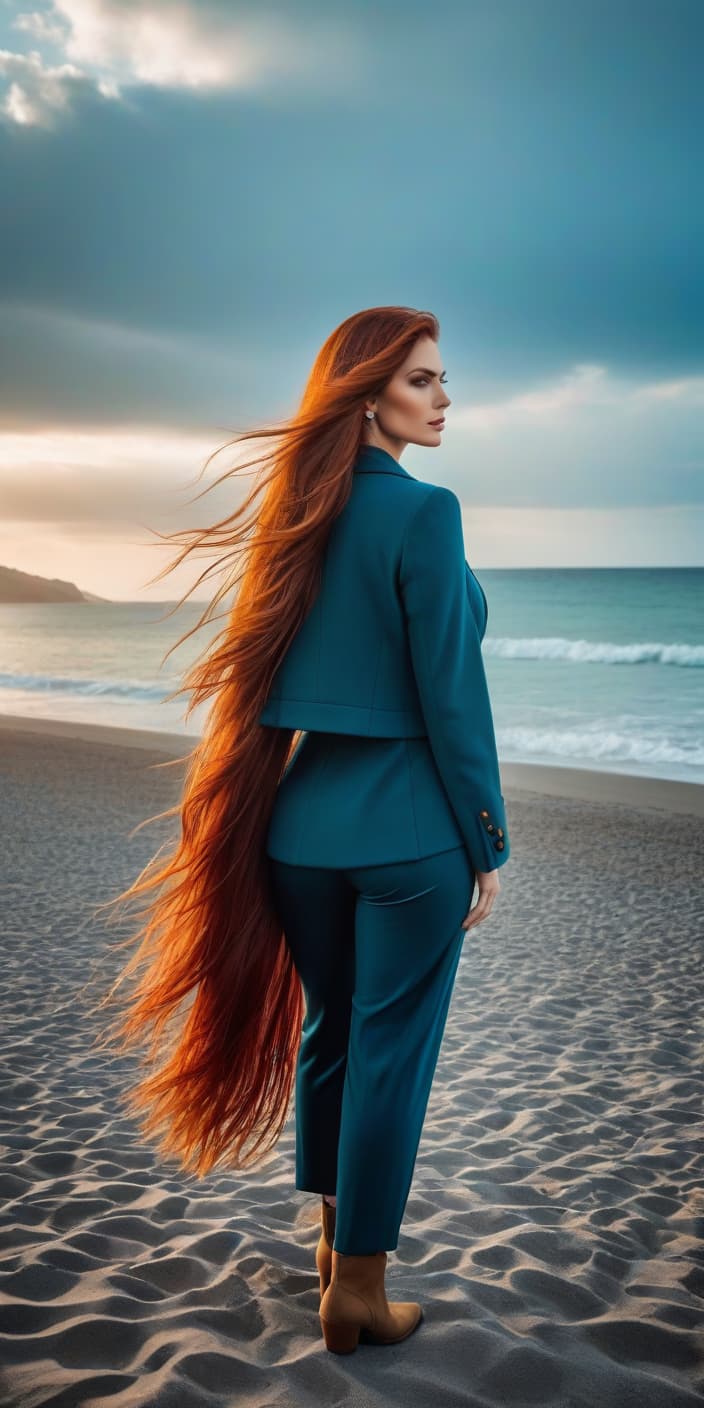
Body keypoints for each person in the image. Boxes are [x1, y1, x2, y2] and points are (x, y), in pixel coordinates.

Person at [99, 305, 510, 1356]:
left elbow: (270, 688)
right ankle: (360, 1291)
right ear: (367, 392)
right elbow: (450, 699)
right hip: (409, 831)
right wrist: (486, 839)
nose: (442, 398)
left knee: (330, 1033)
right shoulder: (426, 514)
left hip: (299, 828)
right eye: (422, 380)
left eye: (441, 379)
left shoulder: (296, 517)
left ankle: (331, 1256)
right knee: (389, 1053)